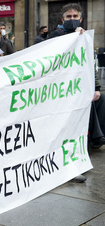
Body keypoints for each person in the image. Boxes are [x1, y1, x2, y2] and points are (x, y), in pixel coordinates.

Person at [48, 3, 99, 183]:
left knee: (78, 127)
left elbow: (89, 64)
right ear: (62, 20)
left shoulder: (84, 38)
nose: (72, 19)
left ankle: (77, 161)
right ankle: (65, 166)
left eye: (75, 16)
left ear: (81, 18)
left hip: (78, 90)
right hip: (61, 92)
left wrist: (96, 88)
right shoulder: (55, 36)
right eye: (68, 17)